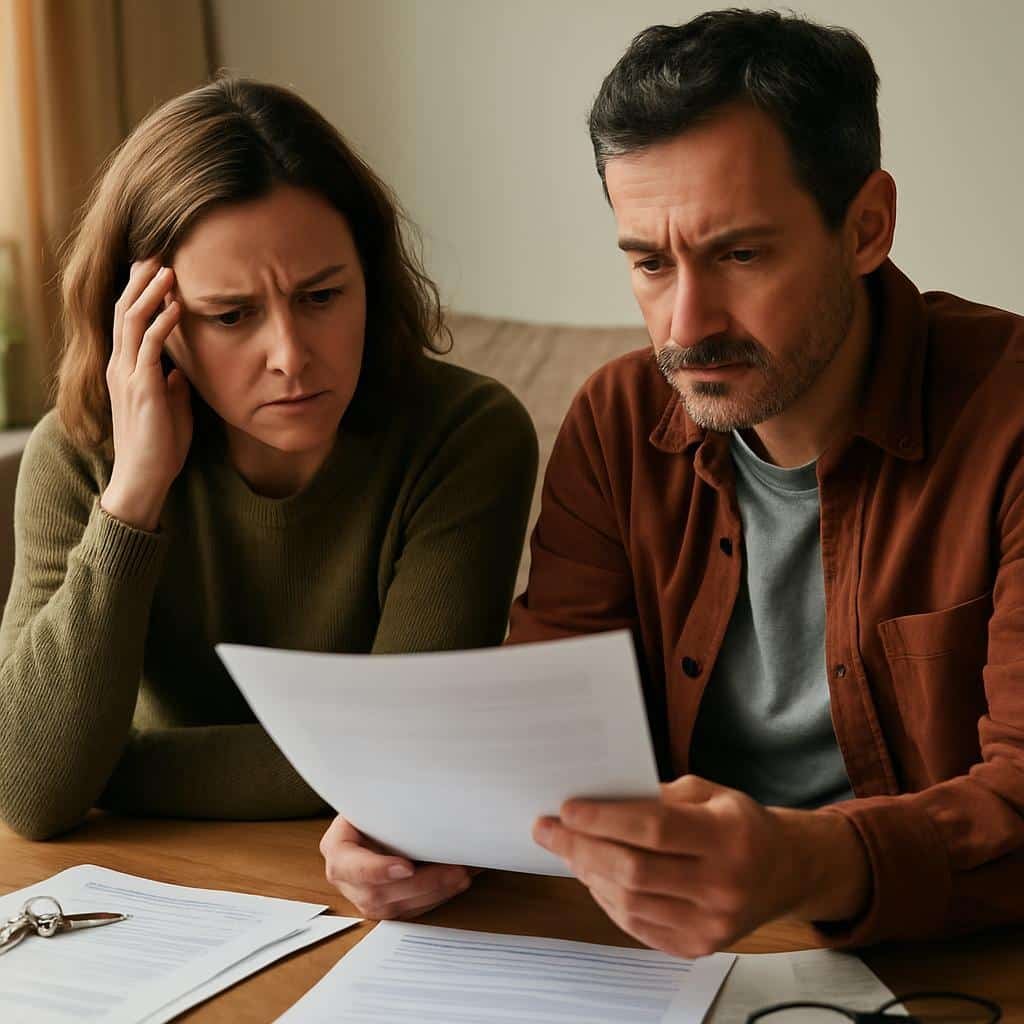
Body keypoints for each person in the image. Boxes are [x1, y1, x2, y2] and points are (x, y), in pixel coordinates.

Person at [321, 10, 1024, 952]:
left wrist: (802, 860)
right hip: (668, 967)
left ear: (866, 227)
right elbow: (545, 738)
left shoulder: (1009, 417)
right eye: (650, 263)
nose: (685, 324)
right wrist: (426, 821)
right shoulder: (616, 425)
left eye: (740, 254)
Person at [0, 78, 537, 844]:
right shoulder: (77, 455)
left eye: (321, 297)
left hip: (365, 883)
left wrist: (118, 768)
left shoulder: (466, 437)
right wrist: (135, 496)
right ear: (150, 318)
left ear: (370, 280)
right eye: (232, 315)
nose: (291, 356)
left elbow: (409, 759)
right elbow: (31, 788)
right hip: (146, 891)